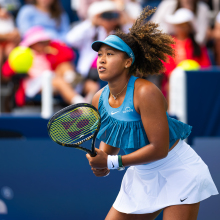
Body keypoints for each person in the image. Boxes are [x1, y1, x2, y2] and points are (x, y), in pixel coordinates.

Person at [85, 7, 218, 220]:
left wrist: (111, 162)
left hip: (178, 171)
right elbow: (111, 138)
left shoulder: (146, 92)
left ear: (128, 61)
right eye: (100, 54)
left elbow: (159, 149)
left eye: (110, 54)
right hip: (141, 173)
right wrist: (103, 160)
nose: (101, 59)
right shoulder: (98, 98)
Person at [1, 26, 88, 107]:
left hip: (51, 79)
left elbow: (69, 55)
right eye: (40, 43)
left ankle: (71, 78)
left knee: (64, 65)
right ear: (32, 44)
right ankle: (80, 105)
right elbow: (7, 71)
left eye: (45, 42)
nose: (44, 45)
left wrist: (55, 45)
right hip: (34, 84)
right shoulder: (23, 54)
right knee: (59, 82)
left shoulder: (49, 53)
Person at [161, 8, 211, 100]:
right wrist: (175, 77)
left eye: (183, 25)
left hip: (195, 83)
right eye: (178, 25)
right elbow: (165, 65)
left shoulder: (198, 46)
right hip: (172, 84)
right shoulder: (168, 44)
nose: (180, 28)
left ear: (189, 27)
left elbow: (205, 66)